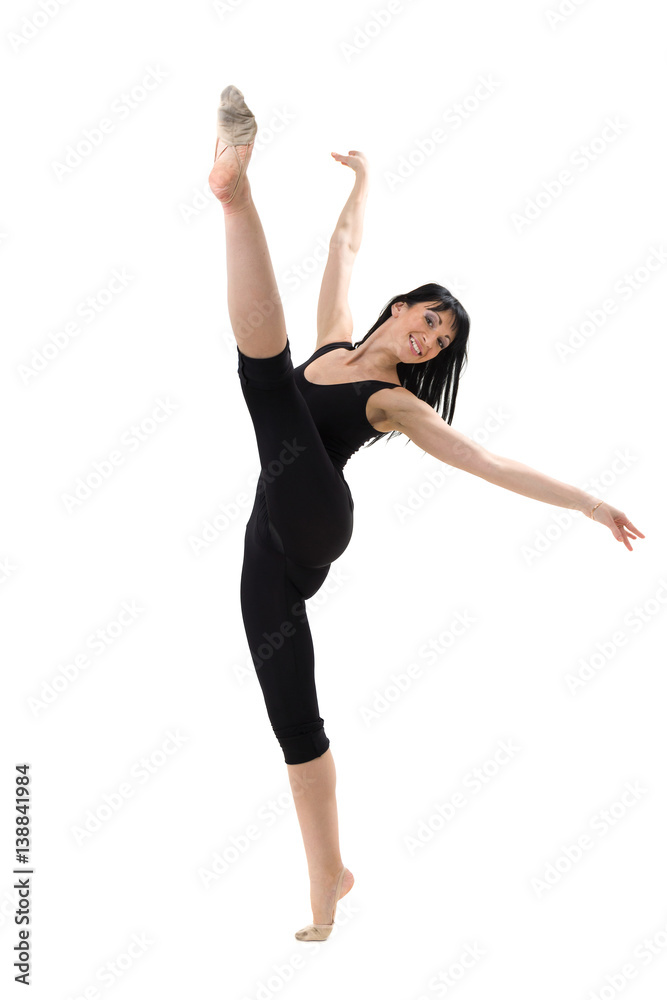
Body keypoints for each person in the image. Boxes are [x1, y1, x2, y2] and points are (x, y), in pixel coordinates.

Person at [208, 85, 645, 941]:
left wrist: (589, 501)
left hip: (319, 517)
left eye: (441, 343)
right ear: (402, 304)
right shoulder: (339, 335)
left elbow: (485, 459)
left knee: (265, 380)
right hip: (268, 549)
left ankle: (234, 193)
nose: (430, 338)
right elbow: (343, 242)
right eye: (430, 319)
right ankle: (328, 878)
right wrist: (364, 177)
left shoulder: (394, 402)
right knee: (292, 722)